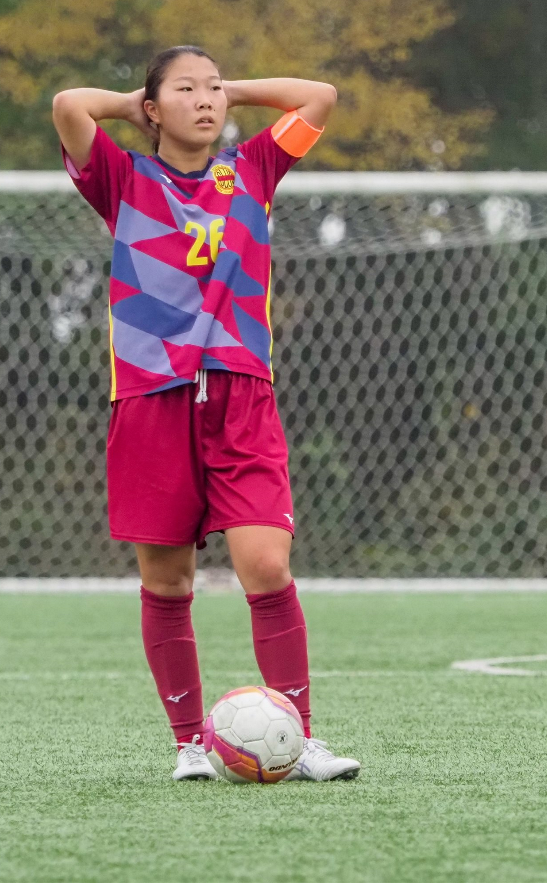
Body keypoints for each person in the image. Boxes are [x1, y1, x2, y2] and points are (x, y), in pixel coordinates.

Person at [51, 46, 361, 782]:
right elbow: (69, 104)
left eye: (214, 88)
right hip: (151, 400)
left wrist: (236, 89)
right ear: (153, 109)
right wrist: (135, 104)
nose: (207, 99)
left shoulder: (252, 169)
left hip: (241, 393)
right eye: (187, 90)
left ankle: (299, 734)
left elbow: (318, 95)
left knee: (266, 564)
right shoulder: (123, 179)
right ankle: (190, 741)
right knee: (168, 583)